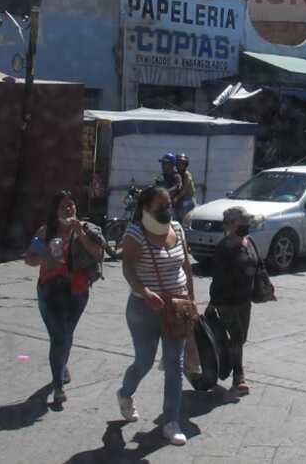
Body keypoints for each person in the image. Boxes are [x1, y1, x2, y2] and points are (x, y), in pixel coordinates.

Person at [117, 186, 196, 446]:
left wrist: (191, 301)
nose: (167, 210)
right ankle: (125, 394)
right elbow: (128, 267)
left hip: (178, 308)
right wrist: (145, 291)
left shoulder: (178, 228)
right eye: (160, 206)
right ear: (145, 208)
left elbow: (186, 265)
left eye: (169, 205)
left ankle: (171, 421)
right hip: (144, 308)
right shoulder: (135, 233)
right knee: (145, 361)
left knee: (175, 364)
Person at [24, 190, 104, 407]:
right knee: (59, 336)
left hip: (77, 291)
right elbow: (29, 259)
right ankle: (58, 385)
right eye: (64, 206)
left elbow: (97, 254)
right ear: (55, 210)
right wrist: (46, 257)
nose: (69, 209)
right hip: (49, 290)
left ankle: (60, 366)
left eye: (72, 205)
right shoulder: (46, 231)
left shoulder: (85, 230)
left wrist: (80, 233)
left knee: (65, 334)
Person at [209, 207, 272, 395]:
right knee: (237, 337)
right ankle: (239, 378)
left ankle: (224, 361)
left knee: (241, 338)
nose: (246, 226)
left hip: (245, 300)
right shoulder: (224, 247)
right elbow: (218, 277)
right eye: (241, 223)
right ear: (230, 225)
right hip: (226, 301)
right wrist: (213, 302)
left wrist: (267, 287)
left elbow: (259, 265)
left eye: (247, 222)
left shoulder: (249, 242)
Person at [174, 153, 196, 227]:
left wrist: (176, 198)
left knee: (184, 215)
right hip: (179, 198)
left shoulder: (187, 174)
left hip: (187, 198)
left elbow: (184, 189)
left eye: (182, 164)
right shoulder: (175, 173)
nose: (180, 165)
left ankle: (185, 227)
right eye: (178, 163)